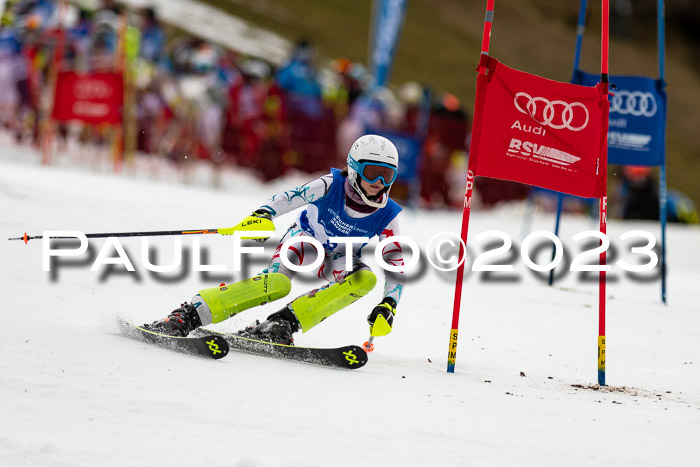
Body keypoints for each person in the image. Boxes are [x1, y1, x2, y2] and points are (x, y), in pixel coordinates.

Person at [146, 134, 407, 345]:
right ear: (354, 169)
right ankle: (190, 314)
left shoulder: (387, 214)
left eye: (388, 175)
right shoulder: (331, 185)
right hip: (305, 241)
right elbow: (288, 197)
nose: (379, 182)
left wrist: (389, 304)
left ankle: (283, 322)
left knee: (365, 279)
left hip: (339, 257)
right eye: (372, 172)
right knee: (277, 284)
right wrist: (263, 215)